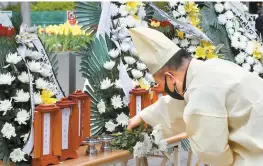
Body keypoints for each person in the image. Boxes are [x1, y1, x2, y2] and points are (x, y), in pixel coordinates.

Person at [127, 27, 263, 166]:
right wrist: (144, 117)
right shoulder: (212, 66)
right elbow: (178, 104)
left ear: (170, 77)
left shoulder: (201, 90)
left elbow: (213, 152)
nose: (163, 89)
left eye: (160, 83)